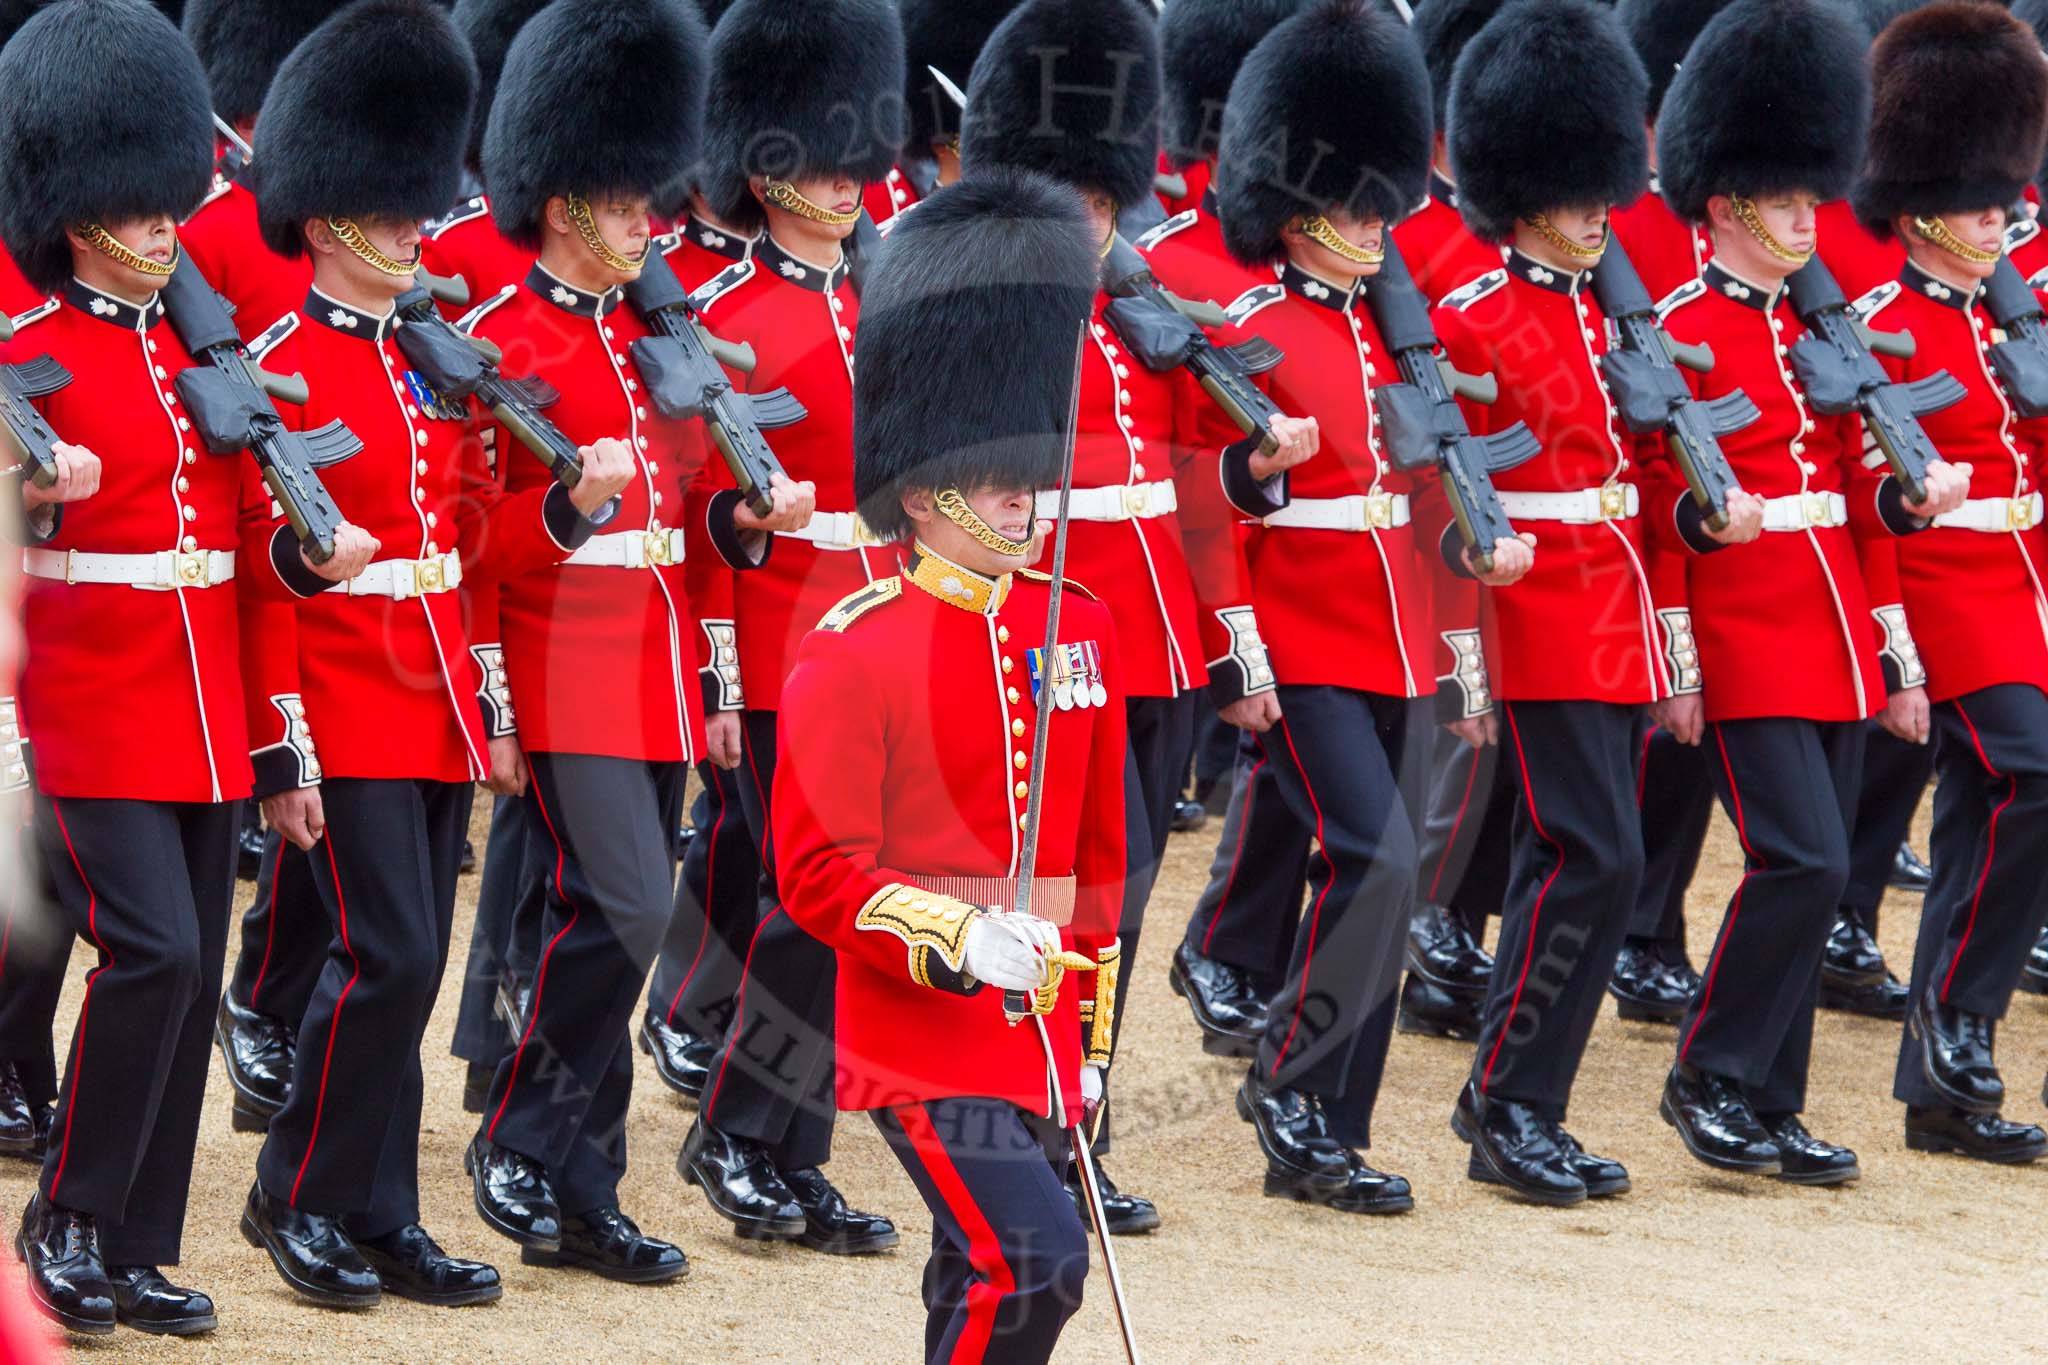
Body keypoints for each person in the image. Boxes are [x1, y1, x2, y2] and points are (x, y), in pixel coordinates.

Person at [461, 0, 813, 1279]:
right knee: (623, 903)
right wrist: (563, 509)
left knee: (604, 911)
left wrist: (744, 518)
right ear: (562, 204)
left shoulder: (651, 344)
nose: (647, 227)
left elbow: (688, 529)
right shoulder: (505, 344)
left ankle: (583, 1181)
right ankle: (517, 1133)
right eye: (623, 208)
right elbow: (474, 548)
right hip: (558, 664)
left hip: (657, 665)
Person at [231, 0, 562, 1310]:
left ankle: (379, 1207)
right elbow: (268, 584)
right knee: (394, 956)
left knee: (408, 960)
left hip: (426, 694)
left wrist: (488, 689)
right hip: (341, 700)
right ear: (324, 222)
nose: (422, 228)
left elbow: (463, 547)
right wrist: (283, 741)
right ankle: (294, 1193)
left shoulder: (428, 369)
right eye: (395, 208)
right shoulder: (281, 377)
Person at [774, 165, 1113, 1365]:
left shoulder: (1074, 623)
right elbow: (813, 870)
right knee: (1033, 1258)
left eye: (1024, 472)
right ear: (920, 494)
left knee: (976, 1270)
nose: (1021, 498)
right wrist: (958, 938)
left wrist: (1091, 1039)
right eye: (992, 479)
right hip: (917, 1019)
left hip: (1041, 1026)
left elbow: (1097, 850)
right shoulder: (854, 647)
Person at [0, 0, 299, 1335]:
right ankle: (61, 1214)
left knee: (179, 968)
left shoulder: (200, 362)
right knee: (159, 953)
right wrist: (33, 492)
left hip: (201, 709)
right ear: (78, 214)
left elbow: (243, 553)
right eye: (142, 206)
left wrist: (279, 739)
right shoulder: (24, 364)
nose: (171, 224)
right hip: (81, 699)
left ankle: (132, 1237)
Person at [1644, 0, 1976, 1185]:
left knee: (1825, 857)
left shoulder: (1811, 330)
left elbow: (1850, 497)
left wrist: (1896, 640)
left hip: (1831, 628)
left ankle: (1767, 1100)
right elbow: (1658, 513)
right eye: (1787, 200)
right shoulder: (1675, 331)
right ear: (1728, 204)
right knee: (1802, 861)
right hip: (1741, 630)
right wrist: (1676, 659)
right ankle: (1707, 1074)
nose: (1808, 215)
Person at [1207, 0, 1523, 1213]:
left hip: (1390, 633)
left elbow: (1428, 510)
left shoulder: (1398, 347)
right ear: (1299, 217)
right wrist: (1241, 652)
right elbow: (1205, 507)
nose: (1375, 225)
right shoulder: (1249, 335)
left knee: (1389, 879)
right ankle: (1290, 1081)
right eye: (1355, 206)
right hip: (1296, 633)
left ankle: (1332, 1121)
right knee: (1379, 861)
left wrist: (1459, 649)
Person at [1433, 0, 1704, 1206]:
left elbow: (1637, 479)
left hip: (1614, 608)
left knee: (1606, 856)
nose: (1606, 207)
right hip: (1532, 614)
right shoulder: (1475, 321)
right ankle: (1507, 1104)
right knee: (1583, 854)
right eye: (1582, 187)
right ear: (1525, 185)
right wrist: (1467, 657)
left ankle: (1518, 1095)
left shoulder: (1604, 315)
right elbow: (1445, 497)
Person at [680, 0, 904, 1257]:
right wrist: (718, 674)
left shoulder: (881, 299)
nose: (843, 181)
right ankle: (732, 1129)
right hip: (775, 637)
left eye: (847, 156)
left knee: (852, 903)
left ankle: (792, 1144)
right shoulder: (717, 314)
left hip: (878, 631)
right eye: (817, 162)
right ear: (765, 176)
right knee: (801, 899)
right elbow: (698, 513)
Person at [1853, 1, 2048, 1165]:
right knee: (2029, 772)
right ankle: (1950, 1031)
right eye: (1983, 196)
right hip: (1942, 584)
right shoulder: (1876, 330)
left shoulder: (2007, 315)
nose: (2002, 210)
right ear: (1921, 203)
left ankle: (1946, 1071)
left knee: (1993, 805)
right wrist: (1892, 641)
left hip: (2018, 582)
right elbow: (1862, 495)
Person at [181, 0, 352, 1137]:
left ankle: (276, 1007)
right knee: (301, 801)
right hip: (266, 540)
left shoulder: (350, 213)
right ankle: (264, 1002)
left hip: (364, 540)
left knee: (334, 822)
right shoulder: (219, 226)